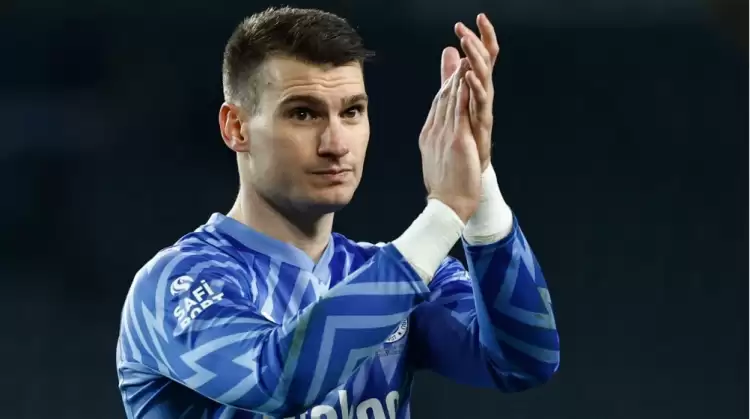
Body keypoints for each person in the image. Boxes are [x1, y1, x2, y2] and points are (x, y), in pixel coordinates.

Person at [116, 6, 560, 419]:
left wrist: (478, 180)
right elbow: (281, 381)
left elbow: (525, 360)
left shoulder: (401, 273)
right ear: (236, 128)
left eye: (352, 111)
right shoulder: (173, 286)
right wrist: (444, 214)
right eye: (303, 114)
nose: (335, 144)